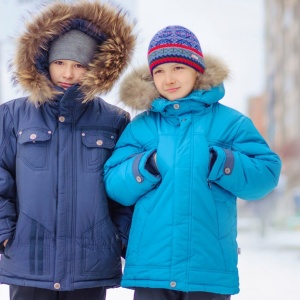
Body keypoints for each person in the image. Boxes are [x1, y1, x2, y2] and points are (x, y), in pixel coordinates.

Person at [103, 25, 282, 300]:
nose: (168, 78)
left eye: (178, 68)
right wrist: (145, 167)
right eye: (159, 71)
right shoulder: (141, 127)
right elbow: (114, 184)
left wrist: (222, 162)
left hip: (207, 268)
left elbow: (266, 174)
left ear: (197, 70)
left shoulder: (231, 124)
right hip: (153, 267)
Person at [0, 1, 136, 299]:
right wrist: (5, 235)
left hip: (89, 267)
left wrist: (118, 238)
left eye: (79, 65)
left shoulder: (114, 120)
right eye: (60, 62)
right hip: (29, 262)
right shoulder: (12, 116)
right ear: (44, 60)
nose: (68, 73)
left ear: (94, 69)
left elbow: (124, 192)